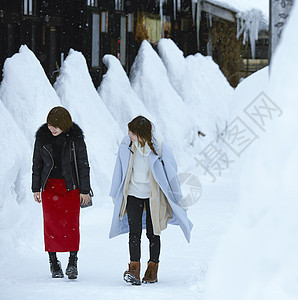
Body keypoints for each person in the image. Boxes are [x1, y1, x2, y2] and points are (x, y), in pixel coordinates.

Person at [109, 116, 193, 285]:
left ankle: (152, 270)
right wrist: (115, 192)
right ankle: (134, 270)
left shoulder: (160, 149)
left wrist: (177, 199)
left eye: (132, 133)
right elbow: (119, 168)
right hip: (132, 194)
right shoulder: (126, 145)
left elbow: (171, 175)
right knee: (134, 232)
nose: (129, 135)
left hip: (153, 197)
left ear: (142, 134)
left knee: (153, 233)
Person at [32, 106, 91, 279]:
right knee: (51, 226)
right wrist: (36, 188)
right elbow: (37, 163)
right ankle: (53, 261)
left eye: (56, 125)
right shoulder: (42, 137)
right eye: (50, 125)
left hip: (71, 188)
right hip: (49, 188)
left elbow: (83, 164)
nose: (52, 128)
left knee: (72, 226)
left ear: (65, 124)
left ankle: (73, 262)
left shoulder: (75, 138)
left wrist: (85, 190)